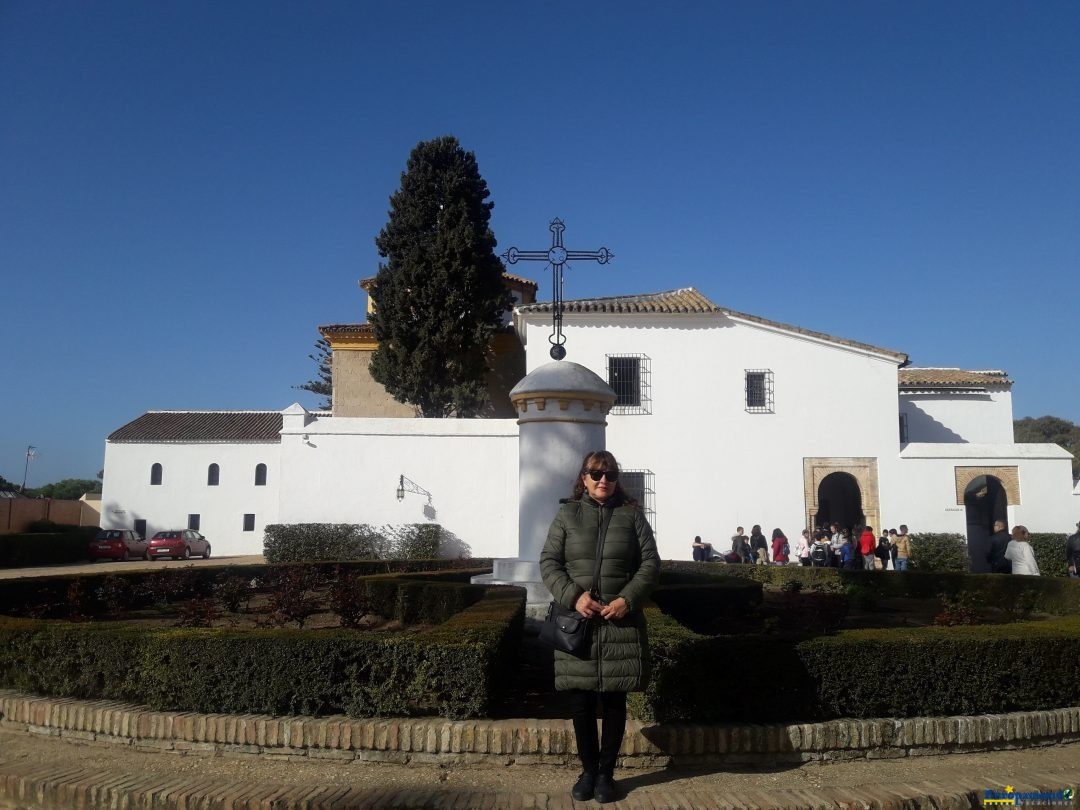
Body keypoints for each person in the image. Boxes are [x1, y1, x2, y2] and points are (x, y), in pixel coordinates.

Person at [539, 450, 660, 804]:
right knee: (581, 704)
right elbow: (549, 562)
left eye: (610, 474)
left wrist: (628, 599)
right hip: (579, 623)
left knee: (614, 702)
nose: (603, 480)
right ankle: (588, 770)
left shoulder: (632, 518)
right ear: (584, 478)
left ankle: (607, 773)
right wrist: (573, 596)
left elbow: (650, 564)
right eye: (596, 474)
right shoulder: (567, 514)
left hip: (619, 622)